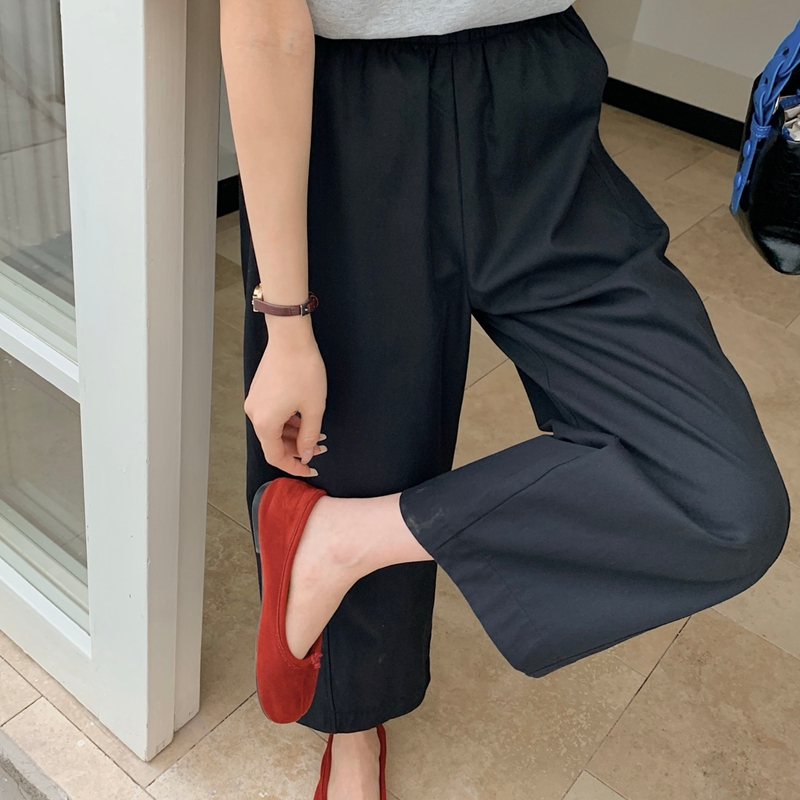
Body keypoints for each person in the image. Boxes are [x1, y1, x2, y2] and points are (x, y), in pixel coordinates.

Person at [219, 1, 792, 798]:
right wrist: (286, 320)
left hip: (538, 88)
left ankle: (339, 541)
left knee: (725, 500)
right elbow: (262, 22)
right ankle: (353, 724)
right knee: (354, 446)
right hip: (355, 100)